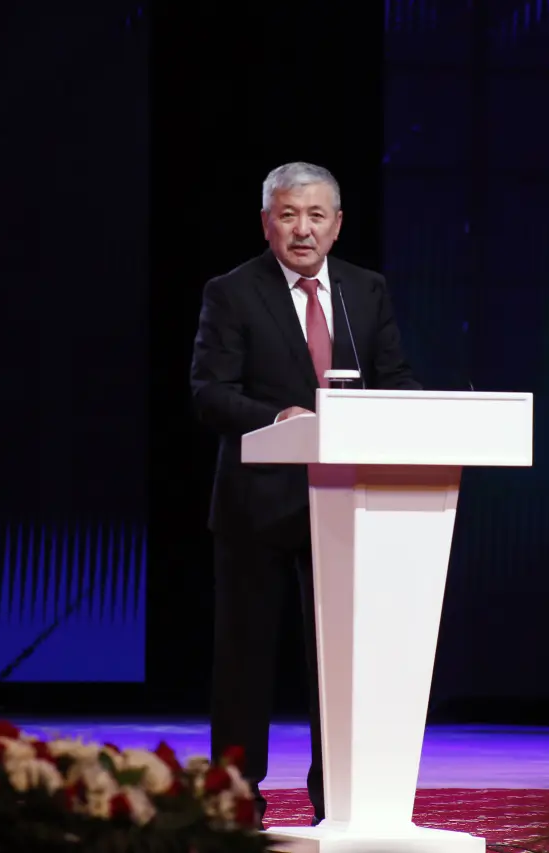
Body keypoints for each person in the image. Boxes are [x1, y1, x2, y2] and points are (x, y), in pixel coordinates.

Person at [189, 161, 421, 827]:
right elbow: (209, 393)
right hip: (257, 505)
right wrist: (279, 417)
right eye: (289, 215)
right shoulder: (232, 292)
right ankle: (235, 801)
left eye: (316, 216)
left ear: (337, 224)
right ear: (267, 222)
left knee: (341, 666)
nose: (302, 229)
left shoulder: (364, 289)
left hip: (347, 504)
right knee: (244, 663)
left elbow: (394, 378)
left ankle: (340, 801)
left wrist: (421, 411)